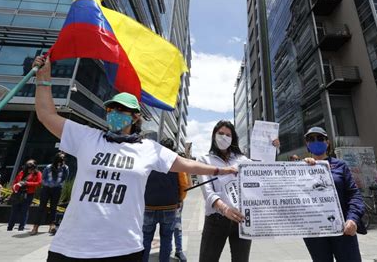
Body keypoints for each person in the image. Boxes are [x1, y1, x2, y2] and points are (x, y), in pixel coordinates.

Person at [33, 56, 236, 262]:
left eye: (121, 110)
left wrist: (222, 170)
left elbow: (187, 164)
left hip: (124, 249)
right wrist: (43, 79)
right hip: (70, 248)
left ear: (135, 116)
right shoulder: (87, 137)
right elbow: (46, 115)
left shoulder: (148, 149)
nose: (114, 114)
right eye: (111, 109)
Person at [197, 120, 280, 262]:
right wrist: (224, 209)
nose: (224, 137)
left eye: (228, 135)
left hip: (241, 218)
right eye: (220, 133)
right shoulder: (204, 160)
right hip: (216, 219)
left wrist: (273, 148)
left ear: (233, 138)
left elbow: (263, 170)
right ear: (213, 136)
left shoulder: (242, 160)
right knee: (207, 259)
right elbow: (208, 192)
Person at [302, 127, 364, 262]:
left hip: (343, 229)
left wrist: (353, 218)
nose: (316, 141)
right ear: (307, 144)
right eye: (311, 139)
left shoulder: (340, 165)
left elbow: (354, 194)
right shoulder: (300, 169)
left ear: (327, 142)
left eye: (320, 138)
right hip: (315, 231)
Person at [142, 138, 184, 262]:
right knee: (166, 239)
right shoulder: (175, 161)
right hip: (169, 206)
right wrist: (179, 200)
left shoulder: (149, 158)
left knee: (145, 238)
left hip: (148, 206)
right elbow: (184, 184)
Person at [31, 152, 69, 235]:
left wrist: (58, 184)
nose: (61, 160)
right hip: (46, 188)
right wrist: (49, 184)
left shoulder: (65, 168)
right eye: (60, 158)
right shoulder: (49, 167)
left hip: (57, 189)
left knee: (53, 207)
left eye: (63, 158)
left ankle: (52, 225)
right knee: (41, 207)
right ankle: (35, 227)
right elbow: (43, 178)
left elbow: (65, 178)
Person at [7, 160, 42, 231]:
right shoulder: (22, 172)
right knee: (14, 210)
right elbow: (15, 182)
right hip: (18, 193)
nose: (29, 167)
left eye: (31, 165)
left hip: (28, 194)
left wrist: (27, 183)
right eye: (27, 165)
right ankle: (10, 227)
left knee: (24, 211)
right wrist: (14, 189)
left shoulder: (37, 173)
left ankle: (21, 227)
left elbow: (39, 183)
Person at [174, 152, 191, 262]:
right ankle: (179, 250)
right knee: (177, 226)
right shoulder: (179, 167)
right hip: (177, 202)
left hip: (156, 202)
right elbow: (187, 185)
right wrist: (180, 199)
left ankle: (167, 250)